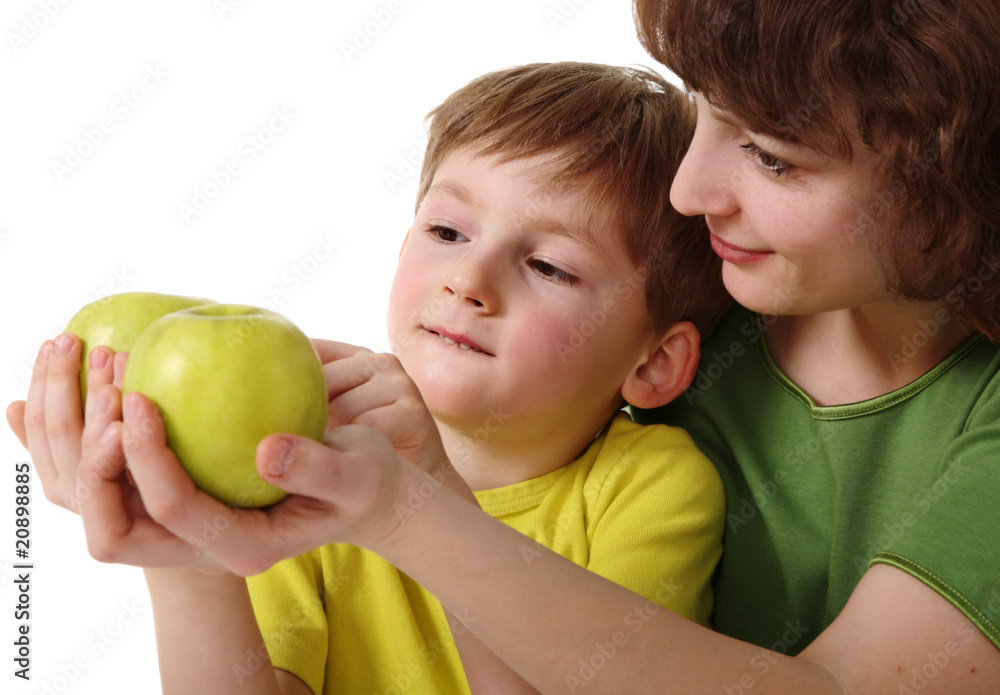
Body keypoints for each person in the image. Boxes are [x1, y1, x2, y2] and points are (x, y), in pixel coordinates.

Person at [13, 0, 1000, 692]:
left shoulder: (652, 446)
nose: (689, 192)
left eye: (774, 155)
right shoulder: (699, 275)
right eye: (700, 106)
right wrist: (185, 549)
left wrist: (410, 509)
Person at [7, 61, 732, 694]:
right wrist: (189, 561)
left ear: (655, 361)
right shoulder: (300, 463)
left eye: (548, 266)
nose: (467, 281)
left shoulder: (655, 487)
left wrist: (430, 498)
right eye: (448, 232)